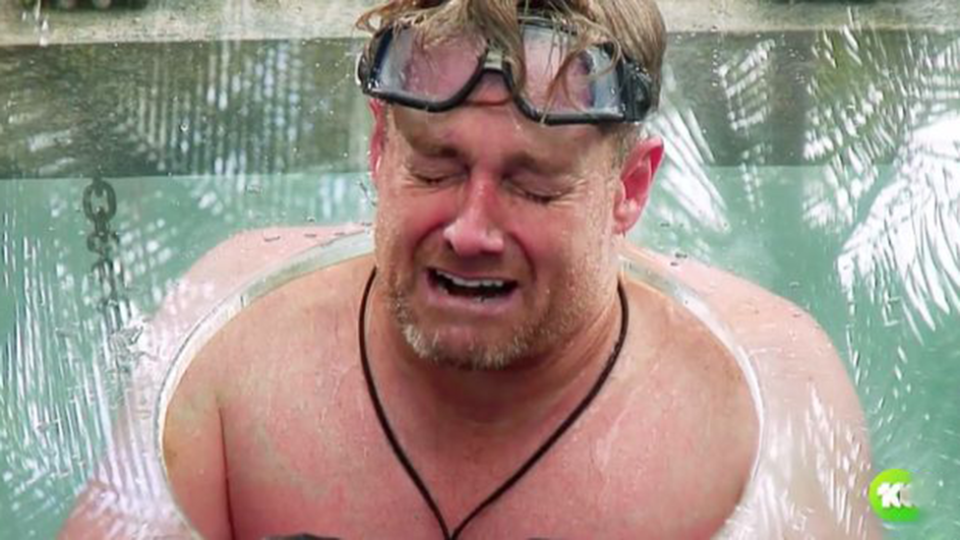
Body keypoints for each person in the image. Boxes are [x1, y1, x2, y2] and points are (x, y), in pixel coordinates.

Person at [61, 0, 881, 538]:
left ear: (628, 190)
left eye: (532, 185)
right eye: (435, 168)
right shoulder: (230, 345)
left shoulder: (765, 404)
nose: (471, 228)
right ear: (382, 151)